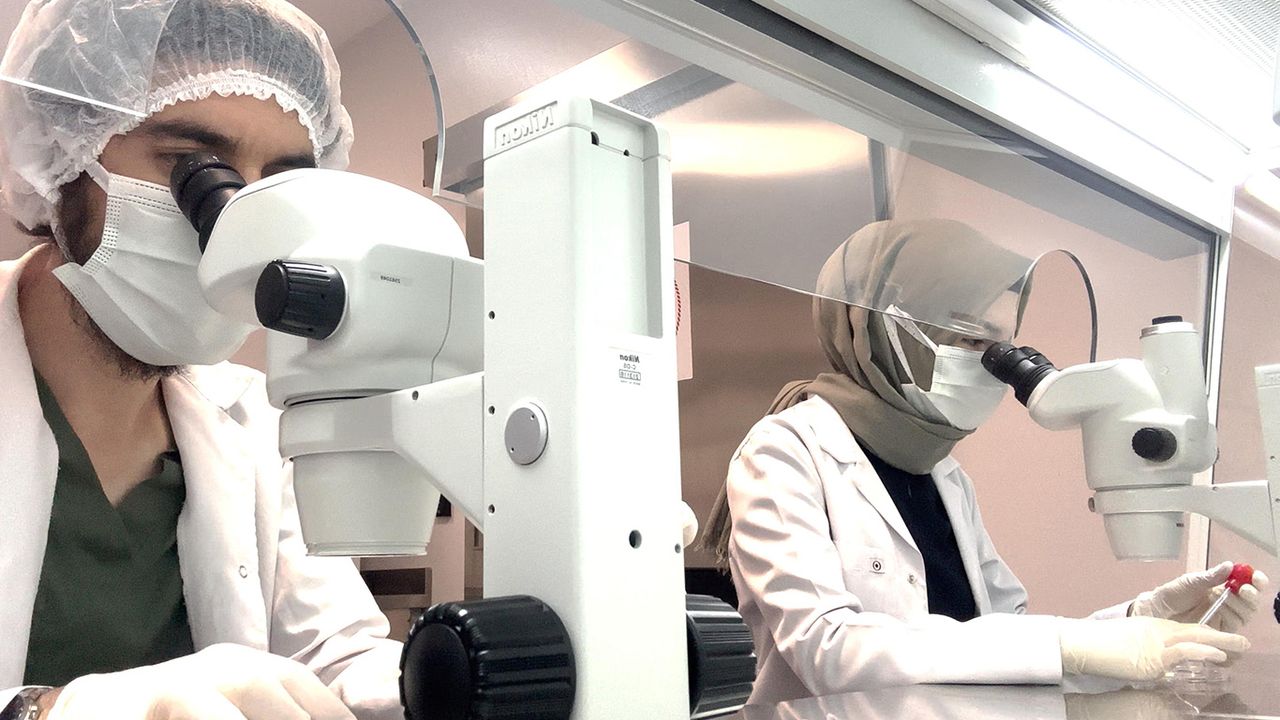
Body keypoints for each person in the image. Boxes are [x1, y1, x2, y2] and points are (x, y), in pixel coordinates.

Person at [0, 1, 404, 718]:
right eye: (192, 166)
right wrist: (46, 711)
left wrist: (441, 681)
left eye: (275, 187)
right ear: (64, 156)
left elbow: (337, 660)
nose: (235, 223)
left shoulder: (260, 423)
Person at [703, 219, 1270, 705]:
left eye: (1003, 346)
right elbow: (827, 648)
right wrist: (1068, 646)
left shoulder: (945, 475)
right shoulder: (784, 450)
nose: (992, 365)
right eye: (970, 337)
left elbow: (1004, 641)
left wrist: (1142, 623)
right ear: (887, 326)